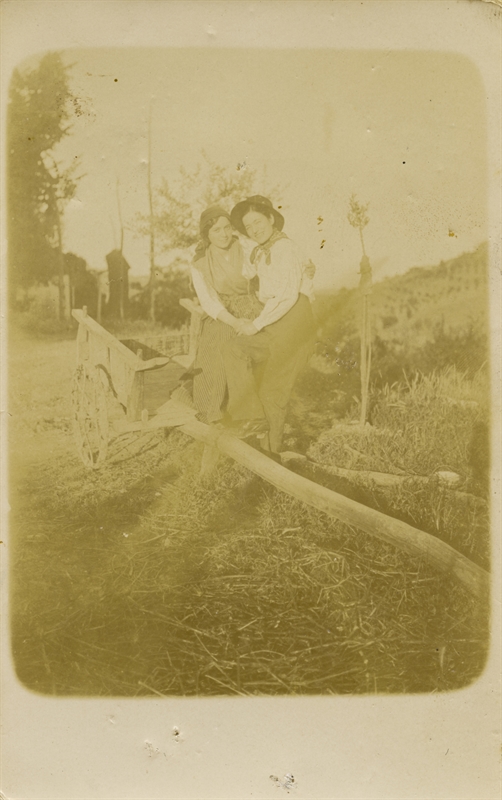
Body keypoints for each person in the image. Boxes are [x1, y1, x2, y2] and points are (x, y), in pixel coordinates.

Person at [222, 195, 317, 454]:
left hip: (294, 324)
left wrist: (255, 325)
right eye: (248, 226)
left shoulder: (285, 249)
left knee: (273, 393)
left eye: (258, 222)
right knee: (234, 348)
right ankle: (250, 417)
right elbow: (250, 276)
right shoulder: (262, 252)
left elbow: (287, 296)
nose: (254, 229)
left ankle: (270, 456)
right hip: (275, 323)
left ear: (271, 219)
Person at [190, 205, 264, 424]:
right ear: (207, 234)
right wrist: (234, 322)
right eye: (216, 230)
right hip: (222, 313)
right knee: (222, 339)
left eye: (226, 228)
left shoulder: (247, 248)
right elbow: (208, 301)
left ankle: (258, 406)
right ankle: (213, 408)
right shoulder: (200, 262)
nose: (223, 234)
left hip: (251, 306)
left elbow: (267, 273)